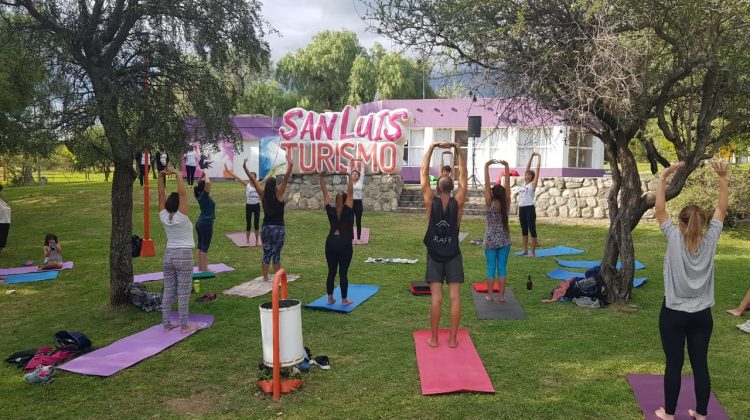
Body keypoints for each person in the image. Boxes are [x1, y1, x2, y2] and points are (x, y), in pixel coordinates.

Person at [653, 160, 728, 420]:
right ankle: (702, 413)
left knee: (674, 364)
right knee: (700, 365)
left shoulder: (673, 238)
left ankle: (669, 413)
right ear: (703, 224)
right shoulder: (711, 240)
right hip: (701, 315)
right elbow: (721, 208)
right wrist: (722, 177)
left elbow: (659, 209)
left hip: (673, 313)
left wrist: (664, 178)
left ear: (682, 223)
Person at [421, 141, 468, 348]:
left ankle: (434, 338)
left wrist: (431, 148)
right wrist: (458, 150)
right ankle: (453, 338)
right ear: (451, 186)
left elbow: (423, 173)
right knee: (455, 298)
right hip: (452, 254)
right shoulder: (458, 201)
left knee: (436, 299)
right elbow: (464, 178)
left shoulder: (431, 201)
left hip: (435, 255)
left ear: (437, 187)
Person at [158, 166, 203, 334]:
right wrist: (177, 174)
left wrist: (161, 176)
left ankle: (166, 324)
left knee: (169, 290)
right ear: (179, 205)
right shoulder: (182, 216)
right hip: (183, 255)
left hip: (168, 255)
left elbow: (161, 195)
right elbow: (183, 194)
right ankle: (184, 326)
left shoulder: (163, 216)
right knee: (183, 292)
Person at [247, 160, 294, 281]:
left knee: (266, 253)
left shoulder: (262, 194)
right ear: (275, 185)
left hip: (266, 228)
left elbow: (253, 181)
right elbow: (286, 178)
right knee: (276, 254)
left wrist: (245, 168)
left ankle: (265, 278)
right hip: (279, 228)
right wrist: (291, 165)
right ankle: (277, 279)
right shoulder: (280, 193)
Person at [319, 170, 355, 305]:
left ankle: (330, 298)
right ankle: (344, 300)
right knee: (343, 273)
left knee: (331, 271)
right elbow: (351, 192)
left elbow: (325, 193)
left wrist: (321, 178)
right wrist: (349, 176)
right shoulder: (348, 209)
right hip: (344, 244)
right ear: (346, 201)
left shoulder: (331, 209)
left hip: (331, 243)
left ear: (335, 200)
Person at [483, 159, 512, 302]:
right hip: (504, 240)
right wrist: (506, 167)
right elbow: (507, 185)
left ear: (492, 194)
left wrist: (486, 166)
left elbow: (487, 185)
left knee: (490, 268)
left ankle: (490, 296)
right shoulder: (506, 203)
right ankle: (501, 296)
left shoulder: (489, 203)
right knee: (502, 268)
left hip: (490, 240)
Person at [224, 160, 262, 246]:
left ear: (255, 178)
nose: (251, 178)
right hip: (249, 206)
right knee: (248, 224)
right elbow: (237, 177)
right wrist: (228, 171)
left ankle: (256, 241)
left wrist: (272, 173)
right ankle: (248, 240)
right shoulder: (247, 185)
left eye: (252, 177)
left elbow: (267, 178)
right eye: (250, 177)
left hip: (257, 206)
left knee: (256, 224)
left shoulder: (259, 184)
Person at [518, 151, 541, 256]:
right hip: (522, 208)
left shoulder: (533, 184)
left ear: (532, 177)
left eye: (529, 175)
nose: (527, 175)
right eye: (526, 174)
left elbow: (537, 170)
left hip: (530, 209)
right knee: (524, 229)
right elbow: (527, 168)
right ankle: (525, 250)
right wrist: (531, 156)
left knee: (532, 229)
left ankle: (533, 251)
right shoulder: (523, 183)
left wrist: (539, 157)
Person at [194, 172, 214, 273]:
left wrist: (201, 176)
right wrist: (206, 173)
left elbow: (200, 184)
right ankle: (205, 269)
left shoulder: (199, 195)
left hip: (200, 222)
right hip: (206, 223)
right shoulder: (204, 196)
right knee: (205, 247)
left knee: (200, 245)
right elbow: (208, 183)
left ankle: (200, 267)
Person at [351, 162, 365, 243]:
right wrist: (350, 161)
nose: (355, 175)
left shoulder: (360, 181)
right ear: (351, 176)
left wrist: (361, 161)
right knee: (351, 221)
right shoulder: (349, 181)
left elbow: (362, 171)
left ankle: (358, 238)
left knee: (358, 221)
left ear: (358, 176)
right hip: (351, 203)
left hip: (358, 203)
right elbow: (348, 170)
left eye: (356, 174)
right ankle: (352, 238)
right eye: (353, 174)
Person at [0, 185, 10, 255]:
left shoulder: (1, 201)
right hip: (1, 222)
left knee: (3, 239)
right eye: (2, 191)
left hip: (5, 221)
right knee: (1, 238)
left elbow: (7, 207)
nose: (3, 192)